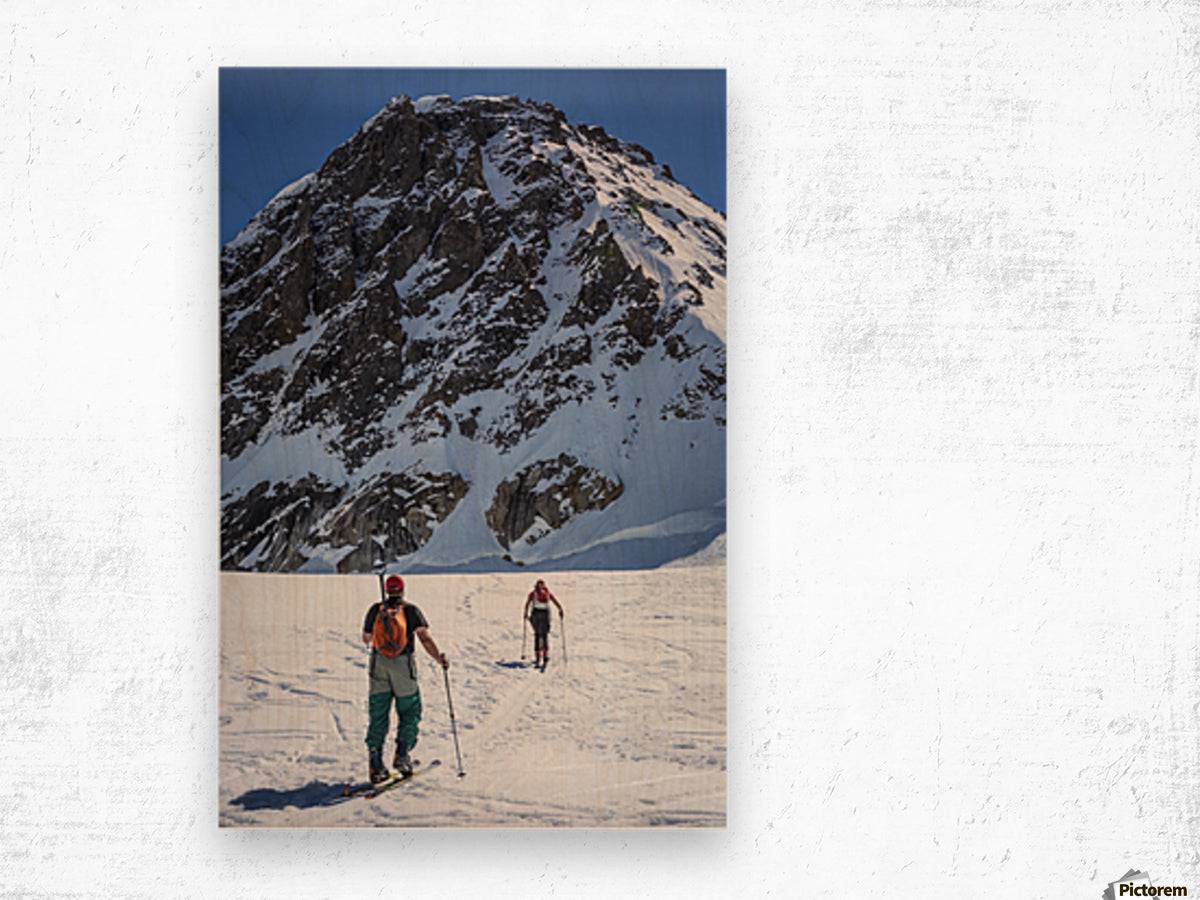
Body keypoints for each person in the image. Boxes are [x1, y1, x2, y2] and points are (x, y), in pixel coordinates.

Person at [362, 574, 449, 783]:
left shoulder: (376, 610)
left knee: (378, 712)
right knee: (410, 709)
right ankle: (402, 755)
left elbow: (366, 638)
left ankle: (376, 764)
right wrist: (440, 658)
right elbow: (425, 639)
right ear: (402, 590)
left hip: (378, 664)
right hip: (403, 665)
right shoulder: (410, 610)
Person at [523, 579, 563, 672]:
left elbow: (528, 603)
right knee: (541, 635)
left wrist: (525, 613)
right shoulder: (543, 593)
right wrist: (560, 609)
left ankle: (541, 656)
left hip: (539, 615)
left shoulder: (536, 593)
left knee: (540, 635)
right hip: (542, 615)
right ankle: (542, 656)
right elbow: (553, 600)